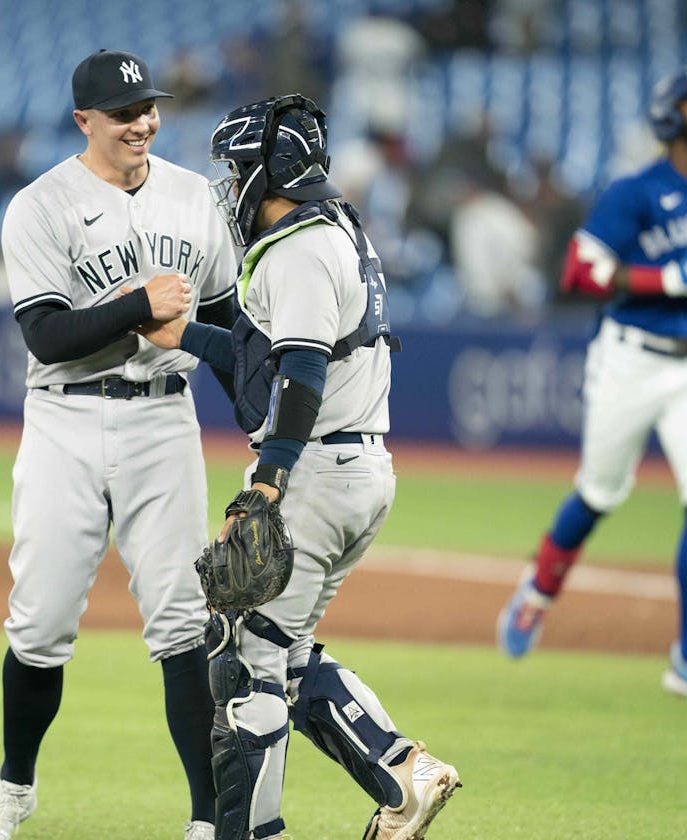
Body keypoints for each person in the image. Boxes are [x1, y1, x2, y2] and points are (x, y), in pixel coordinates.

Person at [134, 94, 461, 840]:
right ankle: (402, 773)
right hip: (354, 466)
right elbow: (269, 357)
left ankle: (253, 833)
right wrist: (185, 334)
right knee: (285, 654)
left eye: (238, 166)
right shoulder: (330, 231)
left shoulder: (300, 248)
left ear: (271, 169)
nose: (230, 182)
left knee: (245, 667)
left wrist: (268, 479)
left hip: (315, 472)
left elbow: (304, 372)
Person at [0, 49, 238, 840]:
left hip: (162, 417)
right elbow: (46, 335)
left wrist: (267, 448)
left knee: (184, 622)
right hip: (64, 421)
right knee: (40, 621)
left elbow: (225, 330)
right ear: (84, 120)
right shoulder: (39, 206)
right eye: (123, 113)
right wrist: (136, 306)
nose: (142, 123)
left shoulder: (194, 199)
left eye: (148, 108)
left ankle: (206, 819)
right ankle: (15, 788)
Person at [496, 66, 687, 712]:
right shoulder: (634, 191)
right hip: (631, 358)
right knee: (599, 490)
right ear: (670, 117)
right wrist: (664, 280)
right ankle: (538, 590)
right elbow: (580, 271)